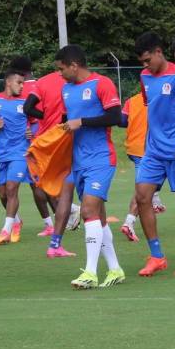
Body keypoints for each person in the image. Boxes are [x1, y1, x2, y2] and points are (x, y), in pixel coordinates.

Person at [55, 45, 125, 289]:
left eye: (62, 68)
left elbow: (116, 117)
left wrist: (81, 122)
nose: (60, 74)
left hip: (101, 159)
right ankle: (115, 269)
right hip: (79, 161)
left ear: (74, 65)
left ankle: (90, 273)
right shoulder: (66, 89)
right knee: (99, 217)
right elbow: (67, 121)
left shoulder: (102, 83)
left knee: (87, 211)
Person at [132, 32, 175, 276]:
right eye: (142, 62)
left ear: (158, 52)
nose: (145, 66)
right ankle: (156, 256)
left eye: (147, 60)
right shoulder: (145, 77)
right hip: (153, 151)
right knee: (143, 197)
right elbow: (150, 108)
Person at [21, 59, 82, 257]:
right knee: (65, 180)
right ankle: (72, 213)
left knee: (43, 182)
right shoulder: (77, 82)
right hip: (68, 135)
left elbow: (27, 108)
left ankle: (72, 213)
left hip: (48, 138)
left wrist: (45, 115)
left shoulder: (42, 82)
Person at [6, 56, 60, 237]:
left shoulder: (18, 88)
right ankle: (58, 220)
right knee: (42, 183)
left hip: (27, 145)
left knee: (35, 185)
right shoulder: (41, 85)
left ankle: (60, 219)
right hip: (48, 138)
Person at [0, 69, 34, 245]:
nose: (22, 86)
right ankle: (17, 221)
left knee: (11, 189)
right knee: (3, 193)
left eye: (23, 83)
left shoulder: (26, 102)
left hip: (19, 152)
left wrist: (31, 132)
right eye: (19, 82)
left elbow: (37, 123)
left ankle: (5, 230)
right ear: (8, 82)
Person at [119, 90, 165, 242]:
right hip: (150, 149)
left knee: (147, 184)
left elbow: (122, 121)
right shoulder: (162, 99)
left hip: (133, 148)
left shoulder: (132, 101)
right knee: (144, 188)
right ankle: (129, 222)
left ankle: (156, 201)